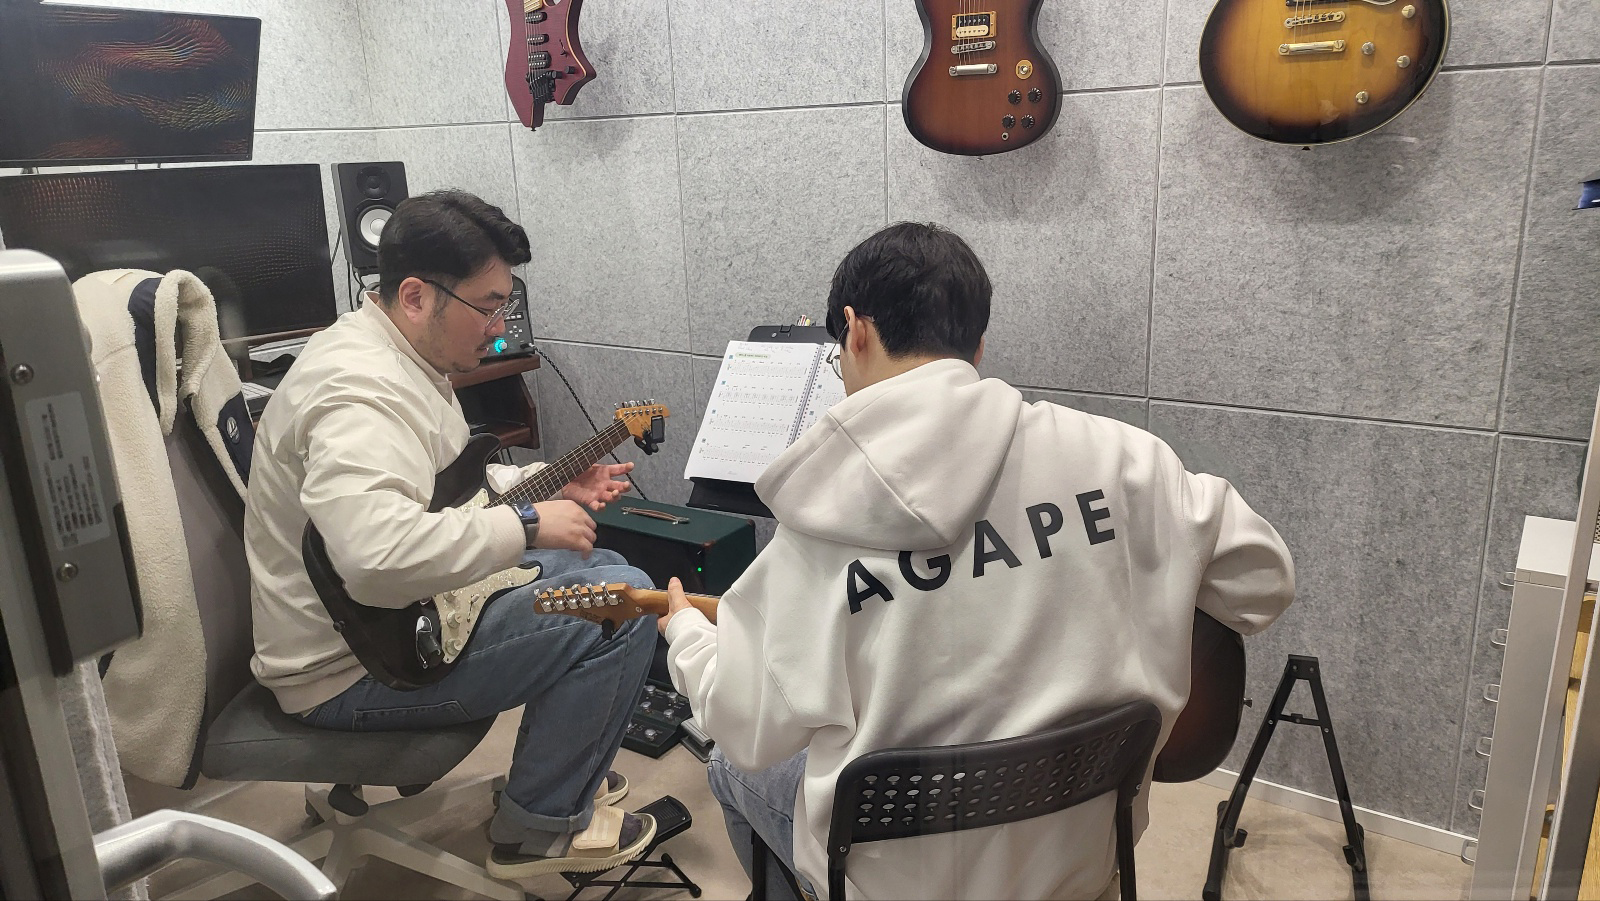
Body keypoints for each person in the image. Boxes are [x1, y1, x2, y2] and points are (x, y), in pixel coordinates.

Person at [658, 222, 1296, 899]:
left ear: (855, 331)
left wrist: (689, 637)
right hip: (1080, 859)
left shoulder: (814, 538)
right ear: (977, 345)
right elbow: (1263, 582)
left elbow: (746, 724)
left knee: (730, 766)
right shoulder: (1127, 461)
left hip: (894, 884)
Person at [244, 190, 658, 878]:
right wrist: (527, 524)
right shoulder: (356, 393)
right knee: (621, 601)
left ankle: (558, 770)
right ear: (415, 296)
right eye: (488, 307)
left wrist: (546, 488)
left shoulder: (392, 352)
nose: (498, 329)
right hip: (352, 667)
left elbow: (440, 488)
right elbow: (376, 560)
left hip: (381, 625)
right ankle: (538, 830)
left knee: (598, 564)